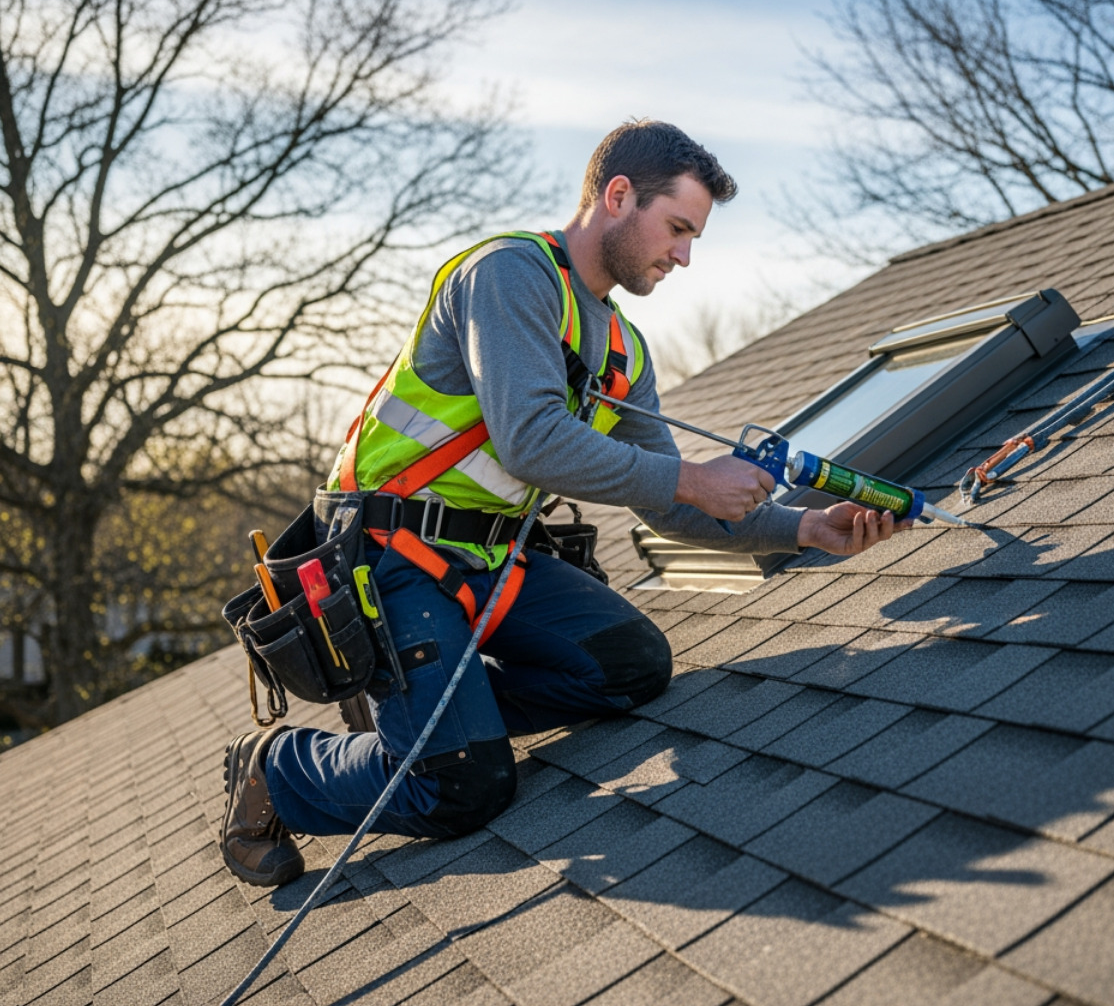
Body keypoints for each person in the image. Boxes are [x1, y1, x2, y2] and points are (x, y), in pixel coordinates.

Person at [219, 121, 904, 886]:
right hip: (389, 562)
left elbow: (674, 507)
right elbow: (533, 442)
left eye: (694, 238)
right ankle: (276, 771)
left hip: (487, 560)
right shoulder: (509, 276)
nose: (684, 256)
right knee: (461, 788)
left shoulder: (623, 349)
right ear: (618, 197)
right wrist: (691, 479)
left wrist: (807, 528)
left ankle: (440, 718)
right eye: (677, 228)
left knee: (631, 666)